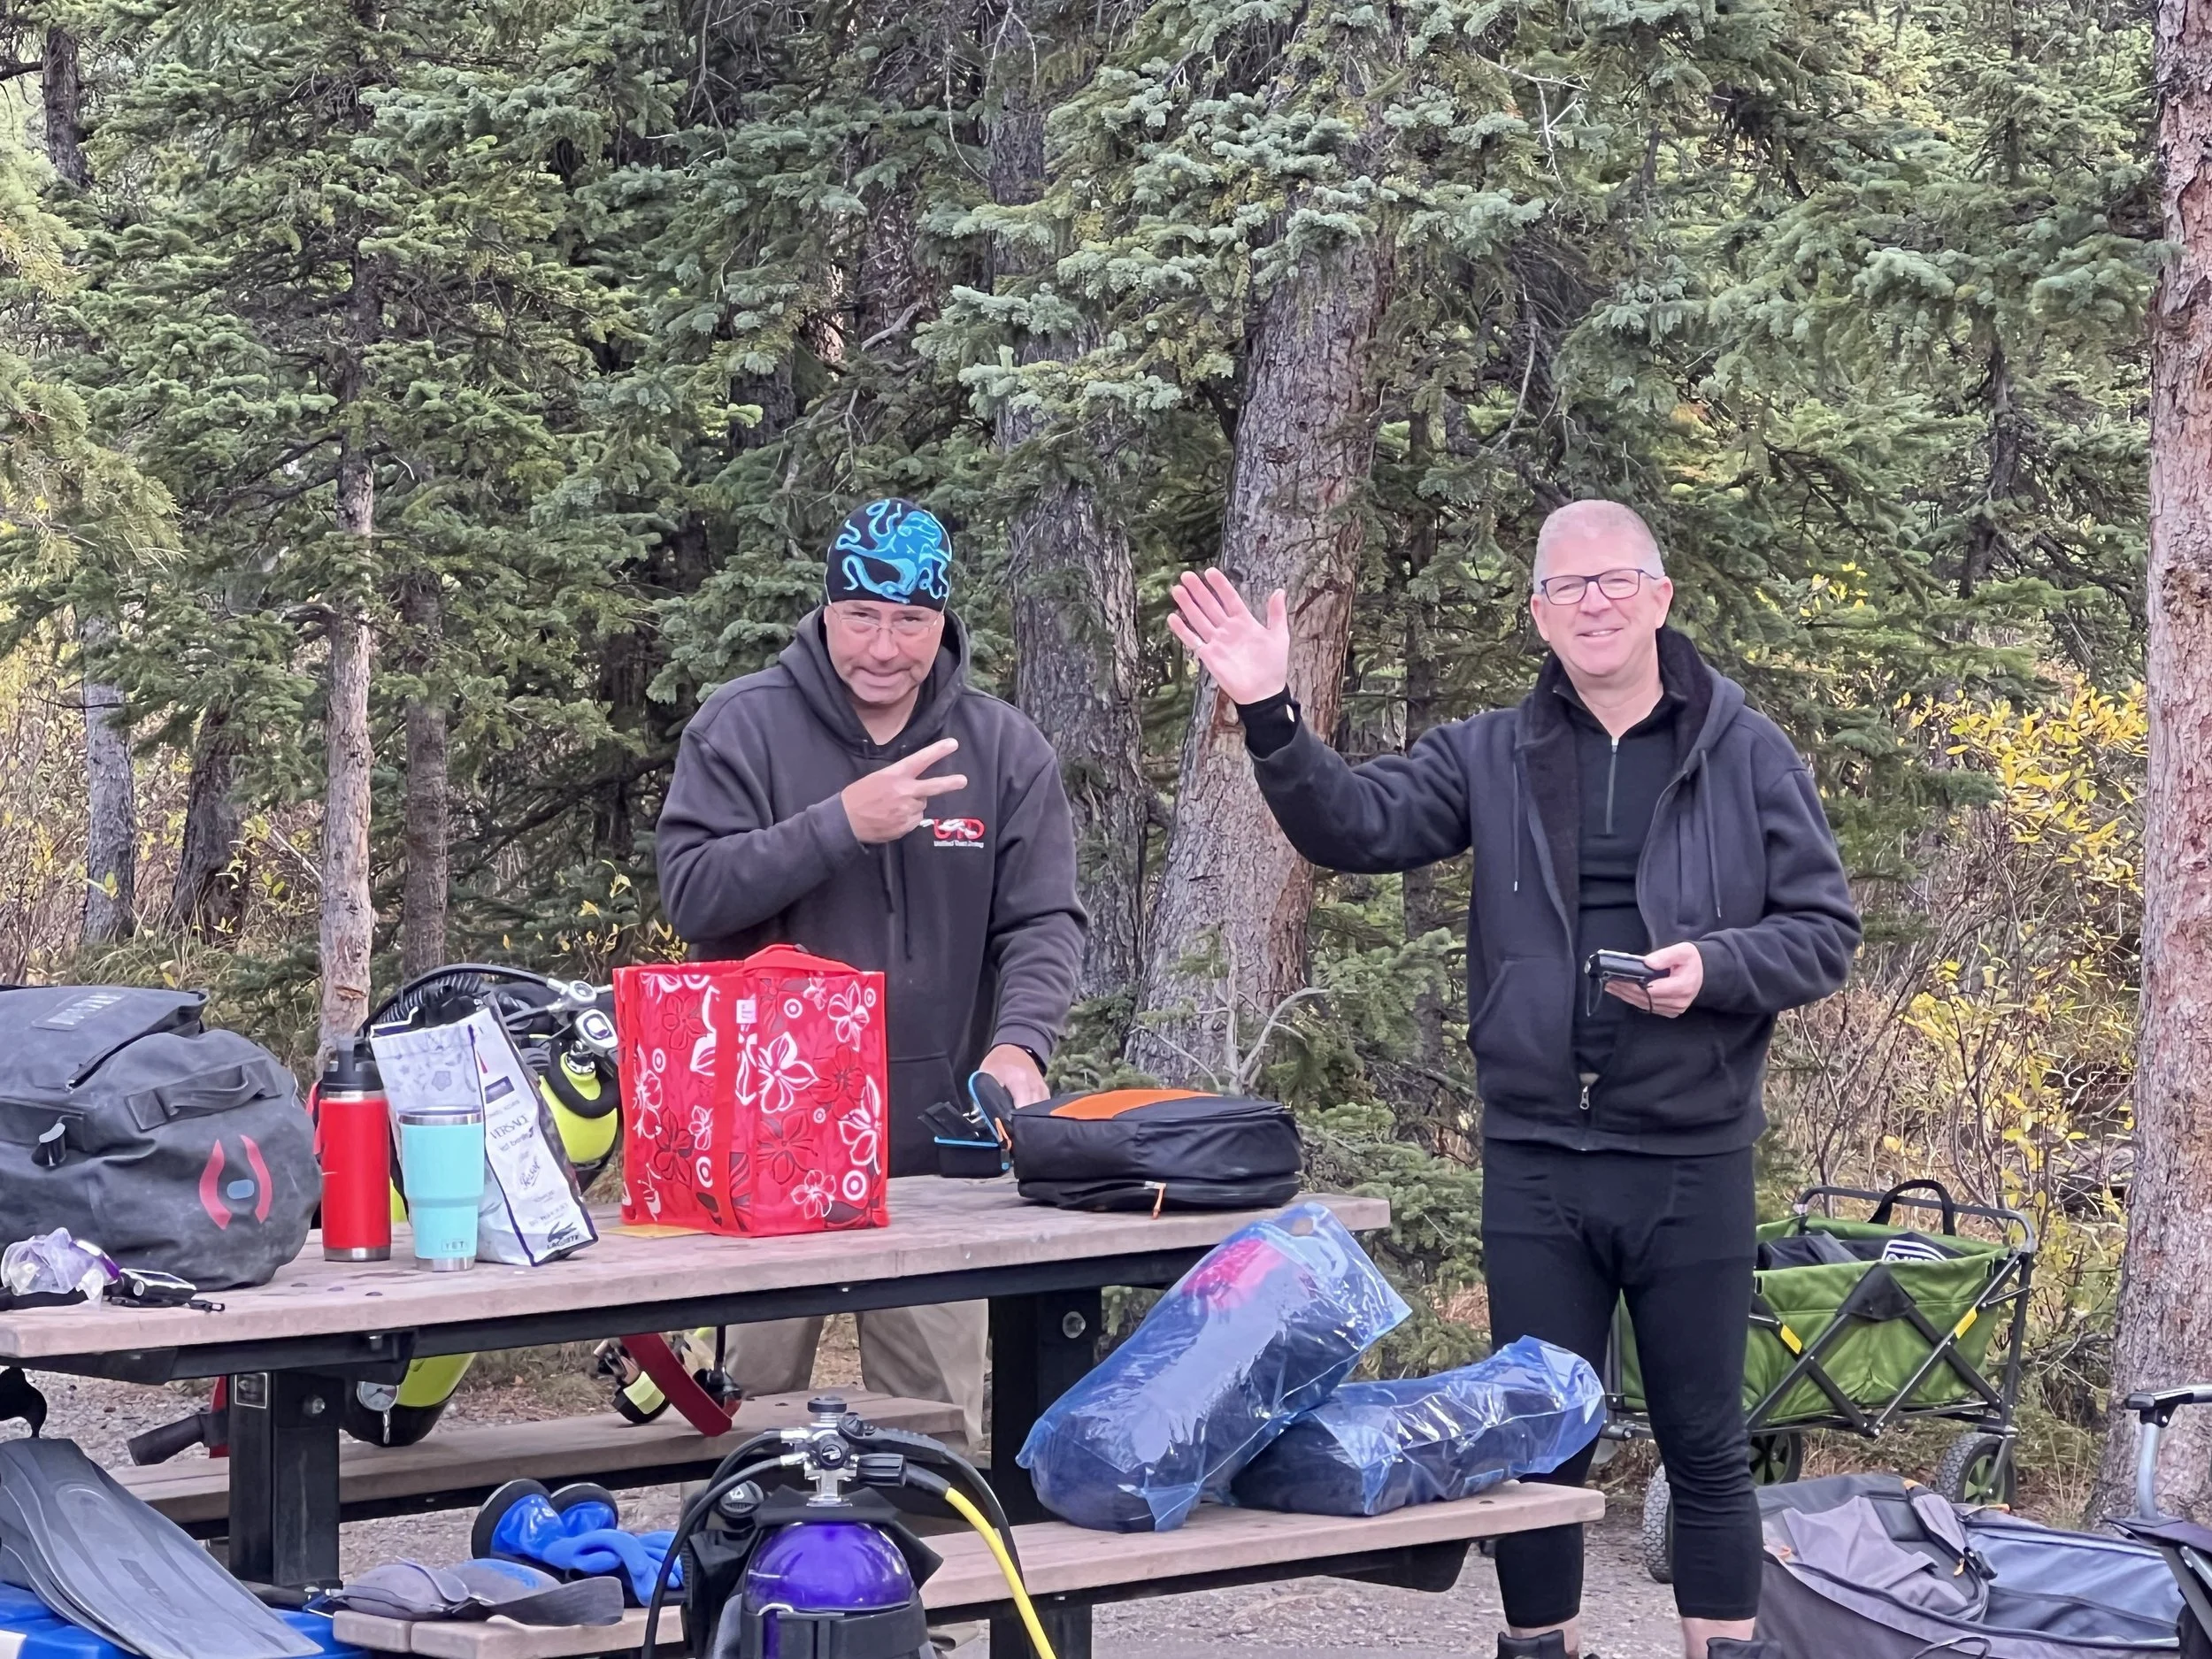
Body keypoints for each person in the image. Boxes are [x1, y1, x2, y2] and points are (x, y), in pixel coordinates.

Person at [1164, 500, 1860, 1659]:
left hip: (1691, 1156)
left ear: (1660, 596)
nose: (1593, 602)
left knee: (1706, 1439)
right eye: (1566, 587)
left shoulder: (1745, 749)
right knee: (1541, 1432)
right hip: (1539, 1158)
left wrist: (1717, 968)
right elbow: (1357, 824)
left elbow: (1824, 931)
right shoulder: (1491, 751)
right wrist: (1271, 711)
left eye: (1614, 580)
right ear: (1538, 613)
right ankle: (1545, 1644)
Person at [657, 497, 1086, 1452]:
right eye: (861, 617)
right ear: (825, 611)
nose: (883, 648)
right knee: (738, 1429)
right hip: (760, 1160)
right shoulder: (742, 727)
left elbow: (1043, 920)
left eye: (909, 622)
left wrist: (1021, 1045)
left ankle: (941, 1606)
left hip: (935, 1154)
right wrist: (839, 823)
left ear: (942, 623)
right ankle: (730, 1606)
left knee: (941, 1433)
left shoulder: (1004, 749)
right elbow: (692, 892)